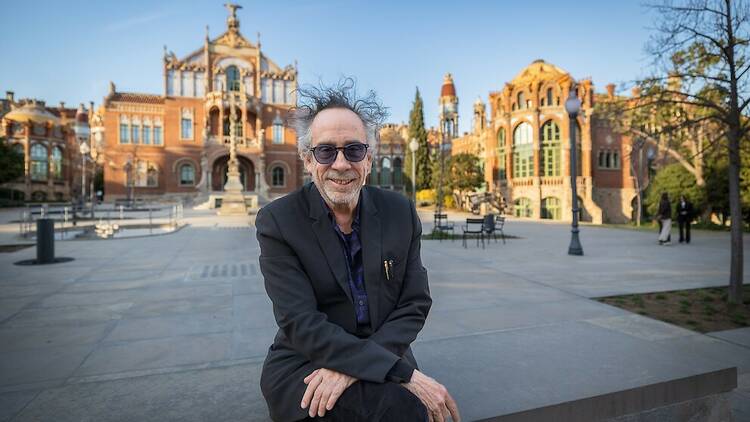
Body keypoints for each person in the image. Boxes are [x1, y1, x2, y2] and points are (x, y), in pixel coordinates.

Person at [255, 80, 460, 422]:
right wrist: (402, 373)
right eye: (326, 151)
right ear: (308, 159)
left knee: (401, 409)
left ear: (368, 158)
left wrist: (354, 367)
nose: (340, 163)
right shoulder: (278, 221)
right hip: (307, 363)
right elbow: (300, 322)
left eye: (353, 150)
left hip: (384, 348)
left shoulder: (400, 212)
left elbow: (414, 303)